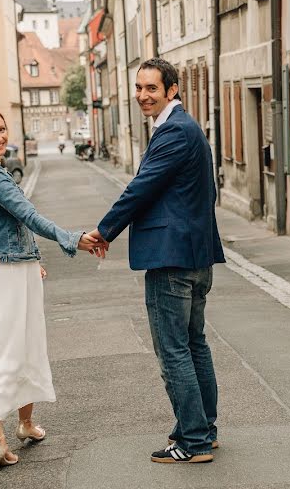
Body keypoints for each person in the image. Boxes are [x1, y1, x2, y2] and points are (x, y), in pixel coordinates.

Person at [0, 105, 105, 470]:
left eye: (2, 129)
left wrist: (32, 258)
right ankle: (14, 429)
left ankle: (11, 431)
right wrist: (74, 238)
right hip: (8, 278)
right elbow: (28, 216)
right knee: (21, 347)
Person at [89, 58, 225, 464]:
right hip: (195, 255)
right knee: (194, 344)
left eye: (151, 88)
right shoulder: (186, 128)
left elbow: (140, 189)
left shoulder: (173, 132)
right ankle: (202, 428)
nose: (142, 95)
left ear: (172, 90)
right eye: (138, 87)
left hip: (172, 260)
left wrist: (103, 231)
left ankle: (194, 441)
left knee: (174, 350)